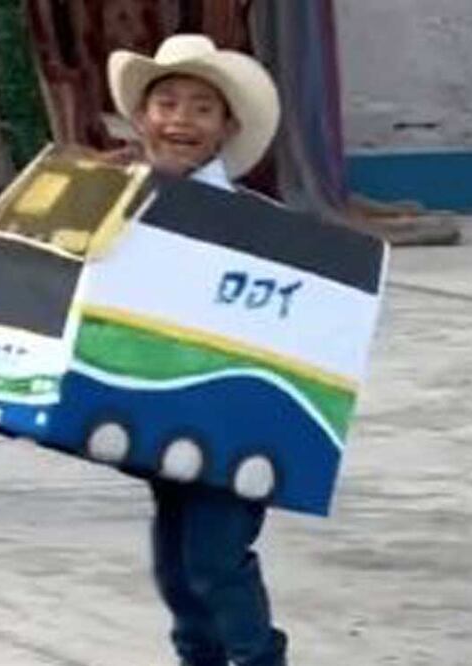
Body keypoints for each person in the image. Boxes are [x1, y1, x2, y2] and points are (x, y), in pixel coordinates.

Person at [106, 34, 288, 665]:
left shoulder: (252, 221)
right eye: (167, 104)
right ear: (141, 117)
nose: (181, 119)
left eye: (203, 108)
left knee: (215, 562)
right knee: (177, 571)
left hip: (239, 419)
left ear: (226, 128)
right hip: (163, 415)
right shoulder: (118, 202)